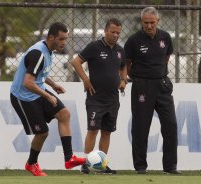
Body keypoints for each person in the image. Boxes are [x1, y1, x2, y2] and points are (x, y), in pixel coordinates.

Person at [10, 22, 86, 176]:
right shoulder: (38, 52)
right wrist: (48, 96)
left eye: (66, 39)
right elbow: (28, 82)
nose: (64, 43)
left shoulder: (49, 50)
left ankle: (69, 158)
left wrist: (54, 84)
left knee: (64, 114)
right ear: (51, 37)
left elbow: (40, 73)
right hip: (23, 96)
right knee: (43, 132)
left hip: (36, 91)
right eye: (61, 39)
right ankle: (31, 164)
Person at [124, 7, 180, 174]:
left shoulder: (165, 37)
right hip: (142, 86)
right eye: (146, 22)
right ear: (142, 22)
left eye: (152, 22)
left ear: (158, 21)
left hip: (162, 85)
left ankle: (170, 167)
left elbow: (166, 57)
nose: (149, 26)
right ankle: (140, 166)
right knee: (141, 127)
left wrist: (160, 73)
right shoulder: (133, 41)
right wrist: (139, 77)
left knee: (171, 124)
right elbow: (127, 64)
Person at [71, 18, 127, 174]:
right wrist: (86, 80)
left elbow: (123, 67)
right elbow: (75, 62)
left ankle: (101, 164)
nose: (115, 35)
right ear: (105, 31)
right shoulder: (94, 47)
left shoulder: (120, 50)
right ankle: (85, 164)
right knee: (93, 130)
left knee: (107, 132)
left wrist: (123, 80)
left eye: (118, 32)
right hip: (95, 98)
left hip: (113, 99)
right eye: (112, 32)